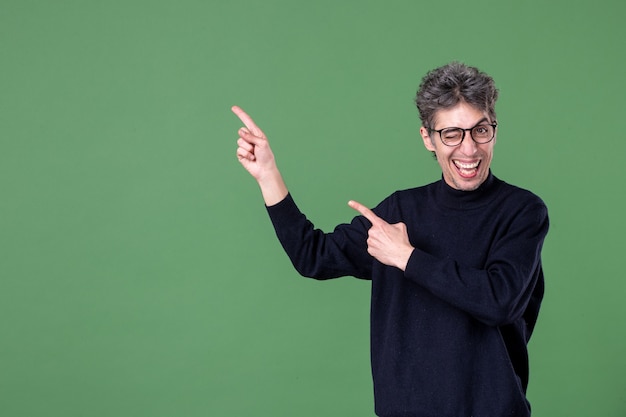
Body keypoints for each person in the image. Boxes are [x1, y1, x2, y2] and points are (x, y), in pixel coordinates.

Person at [233, 61, 549, 417]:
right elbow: (313, 256)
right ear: (428, 138)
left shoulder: (522, 211)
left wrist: (407, 257)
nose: (469, 149)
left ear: (494, 128)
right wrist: (268, 174)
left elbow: (499, 301)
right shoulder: (400, 210)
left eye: (480, 130)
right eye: (452, 134)